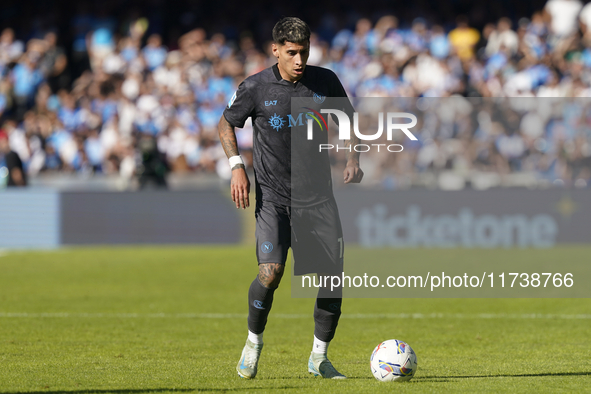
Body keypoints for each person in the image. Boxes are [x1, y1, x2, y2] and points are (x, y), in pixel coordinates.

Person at [218, 17, 363, 380]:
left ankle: (319, 357)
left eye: (305, 52)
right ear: (276, 50)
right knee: (270, 274)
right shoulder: (254, 87)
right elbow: (225, 124)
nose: (300, 60)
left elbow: (349, 119)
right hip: (274, 199)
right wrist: (237, 166)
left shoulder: (324, 81)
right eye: (293, 53)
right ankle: (253, 344)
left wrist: (353, 157)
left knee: (332, 278)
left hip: (319, 201)